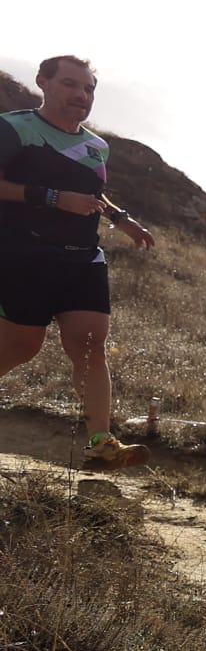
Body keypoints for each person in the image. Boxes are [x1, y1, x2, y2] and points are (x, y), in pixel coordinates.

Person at [0, 54, 157, 467]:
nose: (81, 95)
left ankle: (102, 443)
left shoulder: (96, 146)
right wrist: (52, 199)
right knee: (22, 345)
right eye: (70, 84)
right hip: (24, 255)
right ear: (43, 82)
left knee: (90, 346)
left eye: (88, 89)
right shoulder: (15, 127)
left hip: (83, 259)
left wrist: (122, 220)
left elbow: (89, 192)